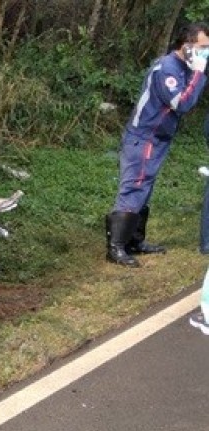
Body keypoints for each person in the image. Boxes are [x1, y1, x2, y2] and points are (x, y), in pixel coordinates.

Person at [106, 22, 209, 267]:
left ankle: (135, 241)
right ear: (187, 47)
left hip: (159, 137)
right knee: (134, 187)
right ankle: (116, 247)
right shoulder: (167, 69)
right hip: (144, 136)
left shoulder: (186, 66)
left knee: (145, 189)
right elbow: (182, 103)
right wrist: (198, 73)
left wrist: (197, 72)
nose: (206, 52)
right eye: (203, 47)